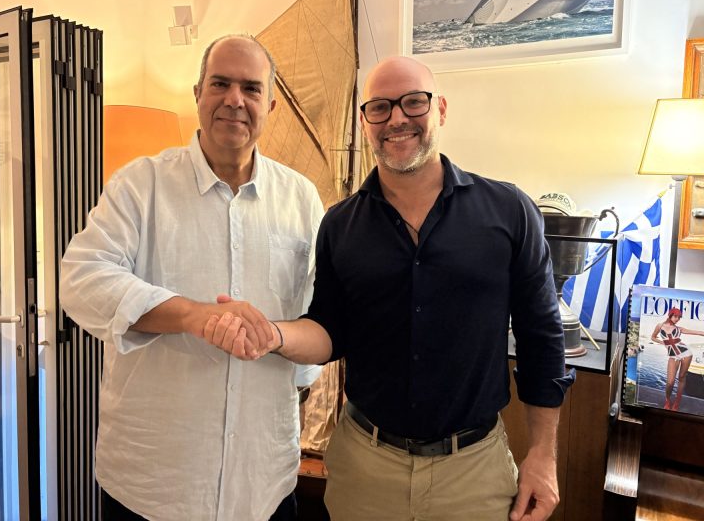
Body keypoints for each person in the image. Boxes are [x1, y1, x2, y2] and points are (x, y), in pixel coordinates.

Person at [204, 55, 575, 521]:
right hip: (366, 469)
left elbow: (542, 337)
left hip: (474, 473)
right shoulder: (339, 225)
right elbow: (329, 331)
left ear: (440, 109)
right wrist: (272, 334)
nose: (397, 118)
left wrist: (543, 454)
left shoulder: (509, 211)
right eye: (379, 107)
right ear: (365, 123)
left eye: (413, 102)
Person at [59, 34, 325, 521]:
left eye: (251, 88)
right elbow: (81, 277)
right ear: (198, 93)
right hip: (154, 484)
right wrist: (192, 316)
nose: (234, 100)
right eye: (220, 84)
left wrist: (276, 341)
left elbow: (315, 313)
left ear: (270, 104)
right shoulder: (140, 185)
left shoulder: (302, 198)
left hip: (263, 479)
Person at [651, 307, 704, 411]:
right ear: (670, 315)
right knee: (670, 382)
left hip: (686, 353)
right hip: (673, 355)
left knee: (682, 377)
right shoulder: (660, 326)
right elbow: (653, 337)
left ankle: (677, 401)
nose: (677, 319)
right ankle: (667, 400)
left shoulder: (679, 329)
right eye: (675, 316)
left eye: (679, 317)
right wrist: (663, 343)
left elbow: (698, 332)